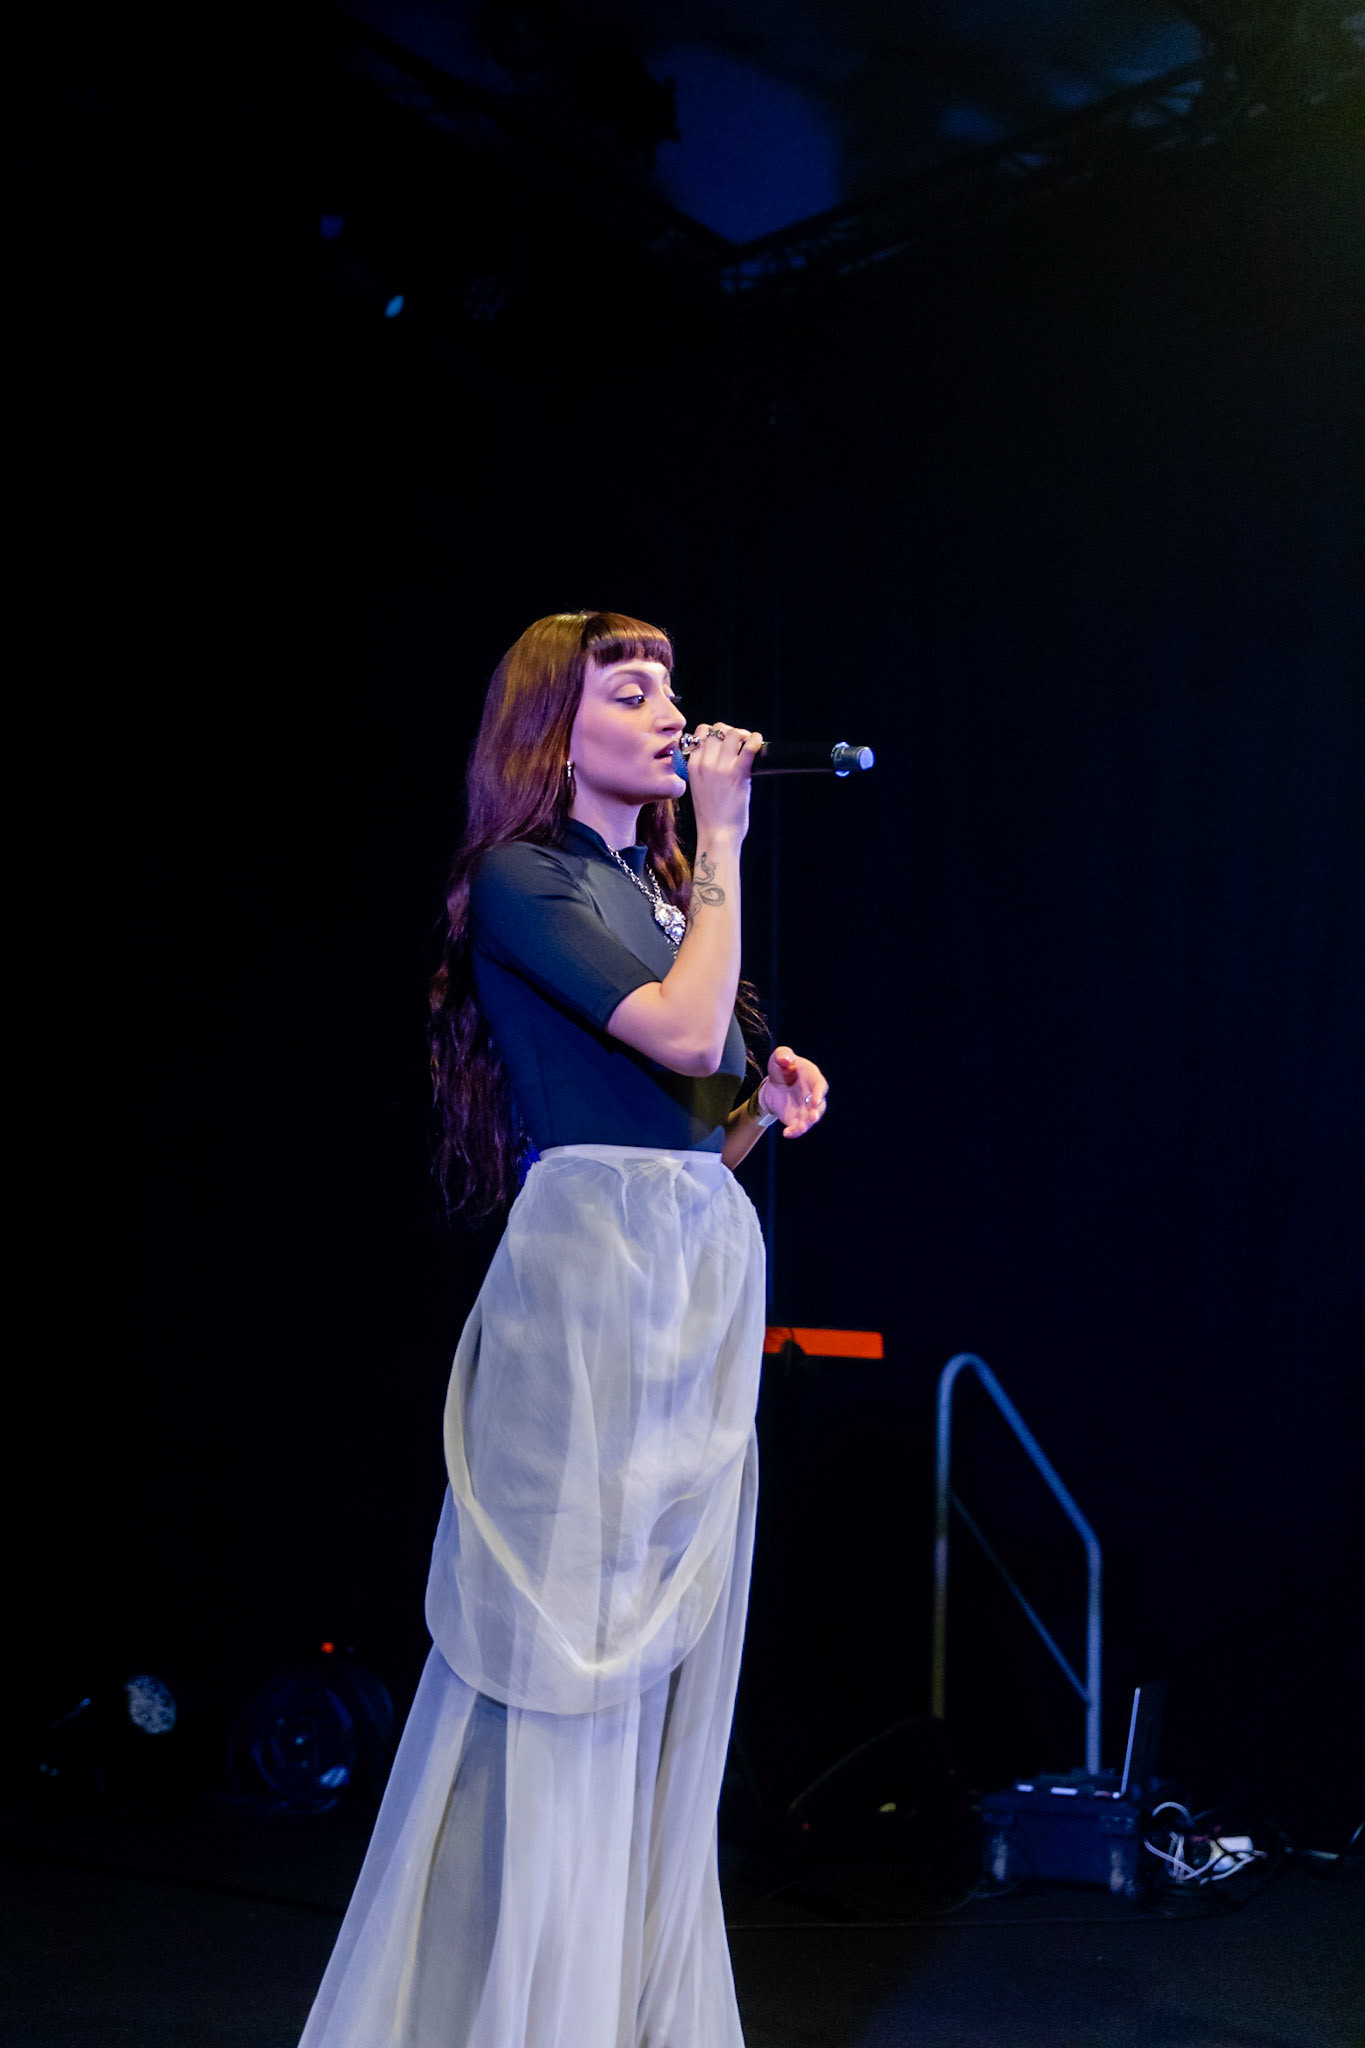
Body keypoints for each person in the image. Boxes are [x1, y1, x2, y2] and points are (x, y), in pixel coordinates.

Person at [298, 611, 828, 2048]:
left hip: (686, 1267)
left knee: (656, 1656)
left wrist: (755, 1113)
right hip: (590, 1279)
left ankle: (611, 1997)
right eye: (632, 689)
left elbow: (685, 1124)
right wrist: (720, 842)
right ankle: (533, 2011)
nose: (671, 714)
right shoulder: (523, 877)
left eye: (673, 688)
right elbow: (665, 1035)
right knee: (572, 1653)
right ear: (555, 728)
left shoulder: (651, 896)